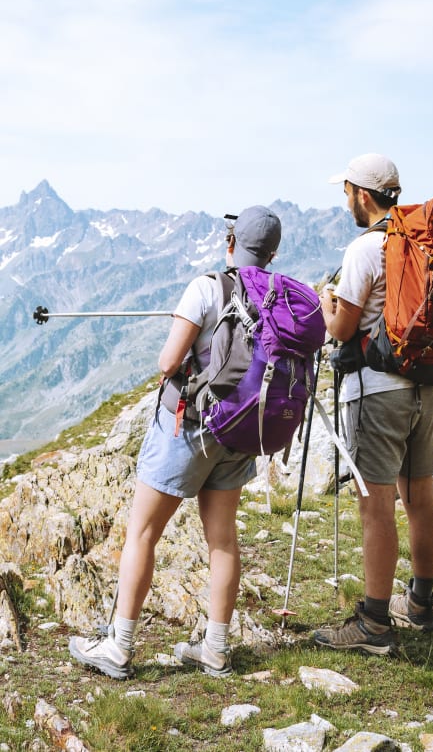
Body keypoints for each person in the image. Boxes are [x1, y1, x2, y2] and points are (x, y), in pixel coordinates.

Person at [69, 205, 282, 679]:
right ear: (272, 253)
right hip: (242, 431)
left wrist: (185, 328)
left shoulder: (207, 287)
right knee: (223, 540)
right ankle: (216, 648)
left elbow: (169, 363)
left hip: (192, 428)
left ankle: (119, 647)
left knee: (142, 532)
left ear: (232, 244)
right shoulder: (278, 295)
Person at [312, 153, 433, 656]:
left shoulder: (366, 248)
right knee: (421, 496)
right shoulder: (418, 244)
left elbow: (342, 329)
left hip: (376, 391)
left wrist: (328, 303)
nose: (346, 200)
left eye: (346, 192)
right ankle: (422, 605)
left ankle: (373, 623)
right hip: (423, 388)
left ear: (362, 196)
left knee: (376, 504)